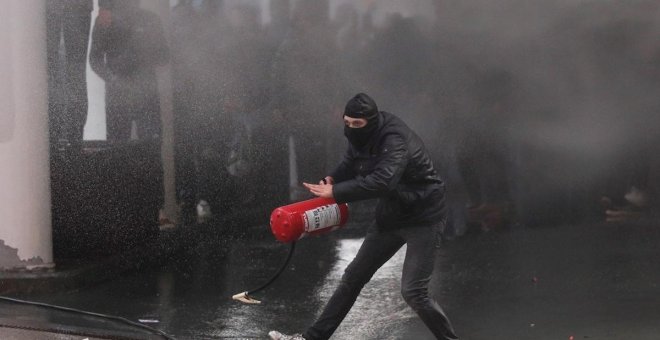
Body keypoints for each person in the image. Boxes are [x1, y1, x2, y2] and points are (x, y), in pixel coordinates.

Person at [269, 93, 459, 340]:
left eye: (356, 124)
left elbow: (383, 182)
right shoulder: (361, 135)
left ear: (372, 120)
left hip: (424, 216)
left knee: (414, 291)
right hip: (392, 216)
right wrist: (333, 178)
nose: (350, 129)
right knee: (352, 278)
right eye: (346, 123)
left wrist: (335, 192)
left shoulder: (394, 138)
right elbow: (351, 162)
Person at [89, 0, 169, 142]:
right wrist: (113, 79)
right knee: (118, 151)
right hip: (118, 95)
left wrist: (145, 53)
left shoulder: (150, 19)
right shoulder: (106, 20)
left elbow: (164, 56)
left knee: (151, 149)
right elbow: (94, 59)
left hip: (145, 94)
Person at [46, 0, 93, 150]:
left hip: (76, 8)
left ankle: (74, 134)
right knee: (50, 71)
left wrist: (107, 5)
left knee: (75, 72)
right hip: (48, 10)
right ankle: (55, 133)